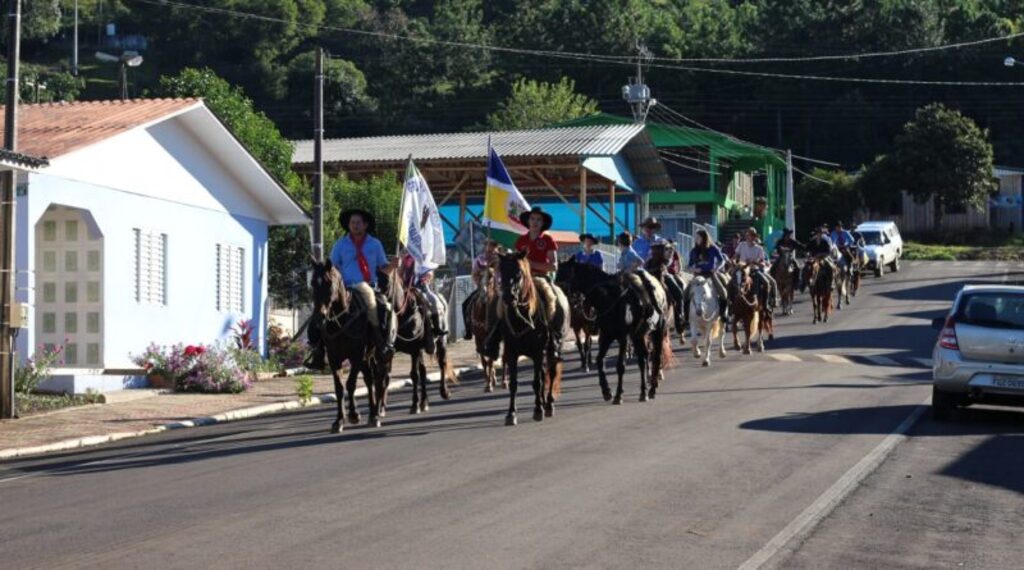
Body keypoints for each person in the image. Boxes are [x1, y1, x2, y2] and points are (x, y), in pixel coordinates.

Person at [308, 208, 398, 369]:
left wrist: (393, 266)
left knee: (383, 307)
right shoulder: (341, 244)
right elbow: (332, 268)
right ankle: (317, 350)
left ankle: (380, 341)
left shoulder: (375, 244)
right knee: (319, 311)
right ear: (348, 226)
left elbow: (384, 270)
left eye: (358, 223)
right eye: (352, 223)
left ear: (365, 225)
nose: (355, 226)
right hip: (344, 287)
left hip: (368, 286)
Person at [682, 228, 730, 326]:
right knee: (685, 293)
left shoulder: (713, 248)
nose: (696, 239)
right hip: (697, 276)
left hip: (710, 274)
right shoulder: (694, 251)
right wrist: (694, 270)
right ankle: (686, 317)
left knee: (723, 292)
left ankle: (723, 314)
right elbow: (688, 266)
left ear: (704, 238)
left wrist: (716, 268)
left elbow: (722, 260)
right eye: (696, 237)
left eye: (698, 237)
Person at [734, 227, 779, 311]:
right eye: (748, 235)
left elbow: (763, 263)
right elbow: (735, 256)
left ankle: (766, 305)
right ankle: (730, 308)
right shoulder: (741, 245)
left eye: (751, 235)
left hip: (754, 270)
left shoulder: (759, 249)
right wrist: (733, 261)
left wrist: (755, 262)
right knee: (730, 283)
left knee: (767, 283)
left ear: (754, 237)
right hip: (742, 270)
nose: (749, 237)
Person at [514, 206, 558, 279]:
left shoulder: (548, 239)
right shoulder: (521, 239)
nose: (535, 222)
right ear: (528, 221)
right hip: (522, 278)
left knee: (550, 290)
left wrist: (531, 264)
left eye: (539, 219)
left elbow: (554, 266)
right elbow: (515, 260)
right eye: (532, 219)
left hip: (541, 277)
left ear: (543, 223)